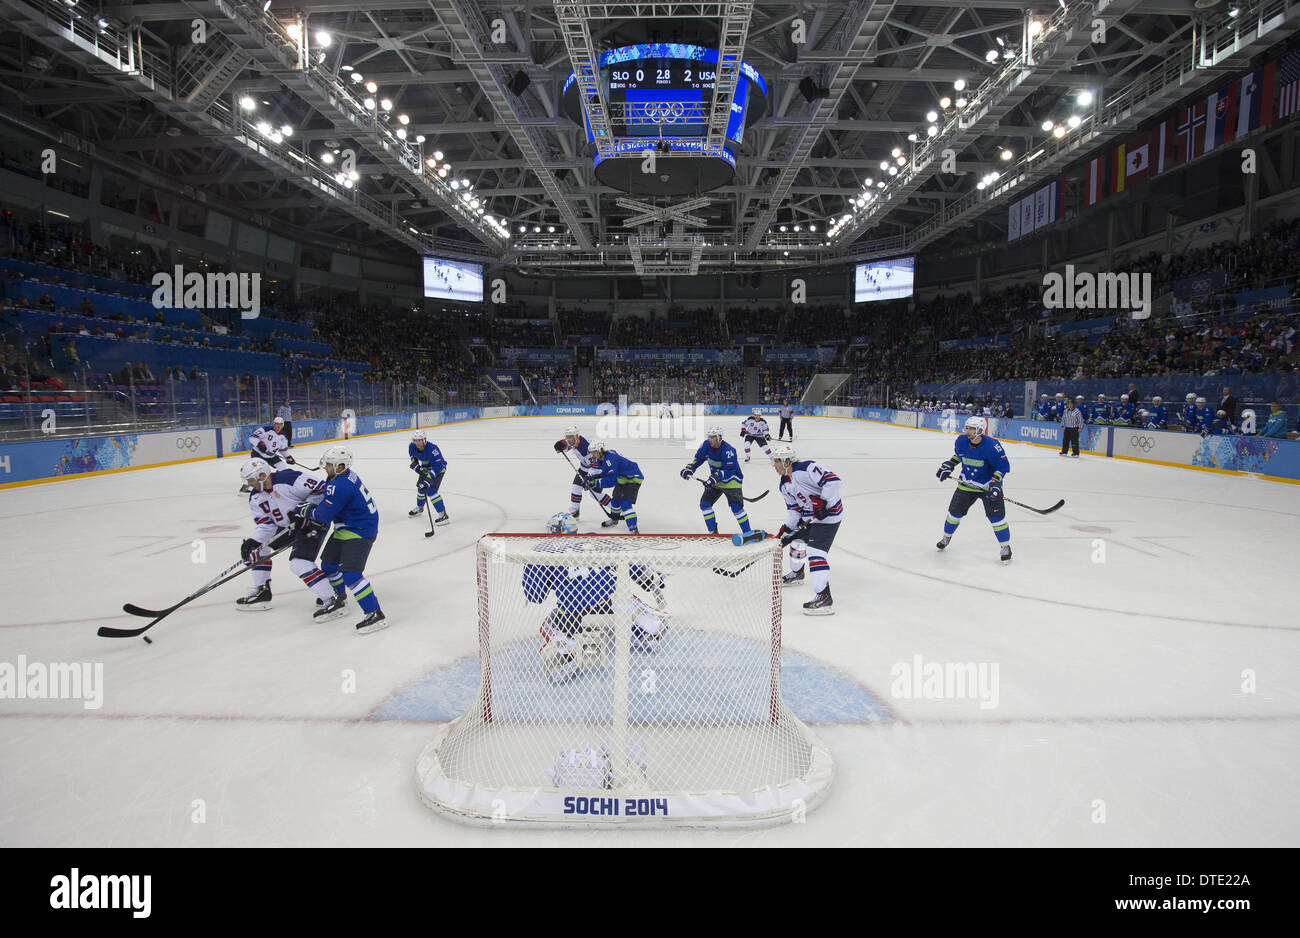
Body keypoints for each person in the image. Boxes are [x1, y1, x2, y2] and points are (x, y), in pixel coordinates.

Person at [524, 523, 667, 683]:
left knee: (549, 623)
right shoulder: (593, 539)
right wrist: (652, 578)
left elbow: (535, 596)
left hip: (573, 613)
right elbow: (629, 562)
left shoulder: (544, 553)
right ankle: (646, 629)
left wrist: (540, 577)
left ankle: (566, 652)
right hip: (611, 603)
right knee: (625, 597)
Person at [293, 446, 387, 634]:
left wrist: (305, 511)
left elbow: (323, 515)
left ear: (341, 466)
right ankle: (339, 597)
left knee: (351, 575)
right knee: (328, 565)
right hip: (348, 526)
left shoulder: (340, 485)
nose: (325, 467)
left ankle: (374, 613)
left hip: (359, 530)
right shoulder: (342, 477)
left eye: (329, 464)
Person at [235, 457, 342, 618]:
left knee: (299, 564)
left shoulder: (290, 478)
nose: (250, 484)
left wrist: (305, 512)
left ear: (262, 476)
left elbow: (323, 490)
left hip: (313, 523)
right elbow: (266, 525)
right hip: (289, 527)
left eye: (251, 480)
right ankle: (263, 591)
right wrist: (254, 542)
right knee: (257, 550)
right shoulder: (256, 497)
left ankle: (333, 600)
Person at [772, 443, 841, 616]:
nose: (775, 465)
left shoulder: (806, 468)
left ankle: (824, 597)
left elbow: (833, 481)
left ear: (787, 461)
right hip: (810, 517)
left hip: (829, 516)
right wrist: (787, 529)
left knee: (816, 552)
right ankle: (797, 574)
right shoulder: (784, 484)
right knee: (796, 541)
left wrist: (824, 502)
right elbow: (794, 509)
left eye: (777, 462)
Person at [936, 416, 1013, 562]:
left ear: (979, 430)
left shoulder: (993, 446)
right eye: (967, 428)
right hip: (966, 484)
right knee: (954, 515)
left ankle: (1005, 547)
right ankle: (946, 538)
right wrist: (949, 465)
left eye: (971, 429)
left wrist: (995, 483)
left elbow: (1002, 467)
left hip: (987, 487)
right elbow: (959, 456)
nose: (968, 431)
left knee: (997, 519)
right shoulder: (961, 441)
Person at [681, 426, 752, 538]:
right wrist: (690, 468)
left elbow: (730, 470)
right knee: (705, 504)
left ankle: (748, 533)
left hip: (732, 480)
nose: (710, 439)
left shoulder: (728, 450)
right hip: (715, 480)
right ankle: (713, 532)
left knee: (736, 507)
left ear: (719, 437)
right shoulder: (706, 445)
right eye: (709, 437)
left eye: (713, 437)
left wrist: (714, 479)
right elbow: (698, 459)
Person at [553, 426, 620, 527]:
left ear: (576, 436)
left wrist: (589, 477)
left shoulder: (586, 447)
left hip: (597, 471)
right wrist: (561, 444)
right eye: (567, 437)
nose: (568, 439)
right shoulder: (574, 441)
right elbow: (567, 444)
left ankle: (616, 508)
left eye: (570, 437)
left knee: (594, 495)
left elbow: (597, 464)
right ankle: (574, 512)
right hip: (584, 469)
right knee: (576, 488)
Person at [589, 440, 642, 533]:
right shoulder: (604, 458)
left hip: (633, 478)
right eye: (592, 452)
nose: (593, 455)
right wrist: (592, 478)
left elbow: (612, 481)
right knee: (615, 502)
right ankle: (614, 519)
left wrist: (595, 482)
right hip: (622, 478)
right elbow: (606, 473)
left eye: (594, 452)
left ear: (601, 450)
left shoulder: (610, 460)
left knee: (625, 504)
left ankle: (634, 529)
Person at [408, 429, 450, 524]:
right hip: (426, 468)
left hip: (438, 469)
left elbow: (438, 467)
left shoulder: (433, 449)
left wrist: (427, 480)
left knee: (431, 490)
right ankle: (420, 508)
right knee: (421, 488)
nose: (417, 442)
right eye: (415, 440)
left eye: (419, 440)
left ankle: (443, 514)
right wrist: (417, 467)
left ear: (424, 440)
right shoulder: (411, 446)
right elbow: (413, 458)